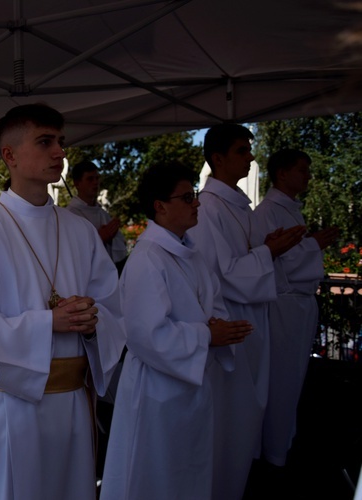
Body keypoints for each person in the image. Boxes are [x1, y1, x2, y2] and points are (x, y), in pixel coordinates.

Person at [0, 103, 125, 500]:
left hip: (73, 408)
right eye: (45, 142)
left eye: (61, 142)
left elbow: (116, 308)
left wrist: (94, 320)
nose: (59, 152)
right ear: (9, 155)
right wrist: (49, 323)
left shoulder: (79, 231)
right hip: (12, 408)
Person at [100, 162, 252, 500]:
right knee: (154, 476)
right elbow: (146, 336)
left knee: (189, 471)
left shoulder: (192, 255)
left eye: (194, 195)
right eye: (186, 197)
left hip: (194, 386)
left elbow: (215, 305)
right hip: (156, 391)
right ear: (160, 206)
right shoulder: (147, 258)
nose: (196, 203)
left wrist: (218, 327)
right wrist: (208, 335)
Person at [188, 124, 305, 500]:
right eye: (242, 150)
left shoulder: (240, 205)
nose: (251, 157)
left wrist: (269, 248)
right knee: (231, 416)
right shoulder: (208, 209)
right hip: (231, 322)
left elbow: (243, 262)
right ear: (218, 158)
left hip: (253, 318)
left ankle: (242, 477)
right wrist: (268, 252)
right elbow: (220, 275)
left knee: (249, 410)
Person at [253, 149, 338, 468]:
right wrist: (313, 245)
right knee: (281, 381)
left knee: (293, 380)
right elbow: (279, 259)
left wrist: (312, 245)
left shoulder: (289, 210)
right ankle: (272, 453)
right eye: (301, 170)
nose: (307, 175)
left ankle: (282, 443)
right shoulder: (268, 212)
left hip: (298, 306)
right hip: (283, 306)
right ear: (282, 174)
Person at [67, 160, 128, 273]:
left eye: (97, 178)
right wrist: (99, 238)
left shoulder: (102, 213)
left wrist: (112, 238)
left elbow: (120, 250)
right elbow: (69, 252)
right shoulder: (69, 215)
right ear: (77, 183)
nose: (96, 182)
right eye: (90, 179)